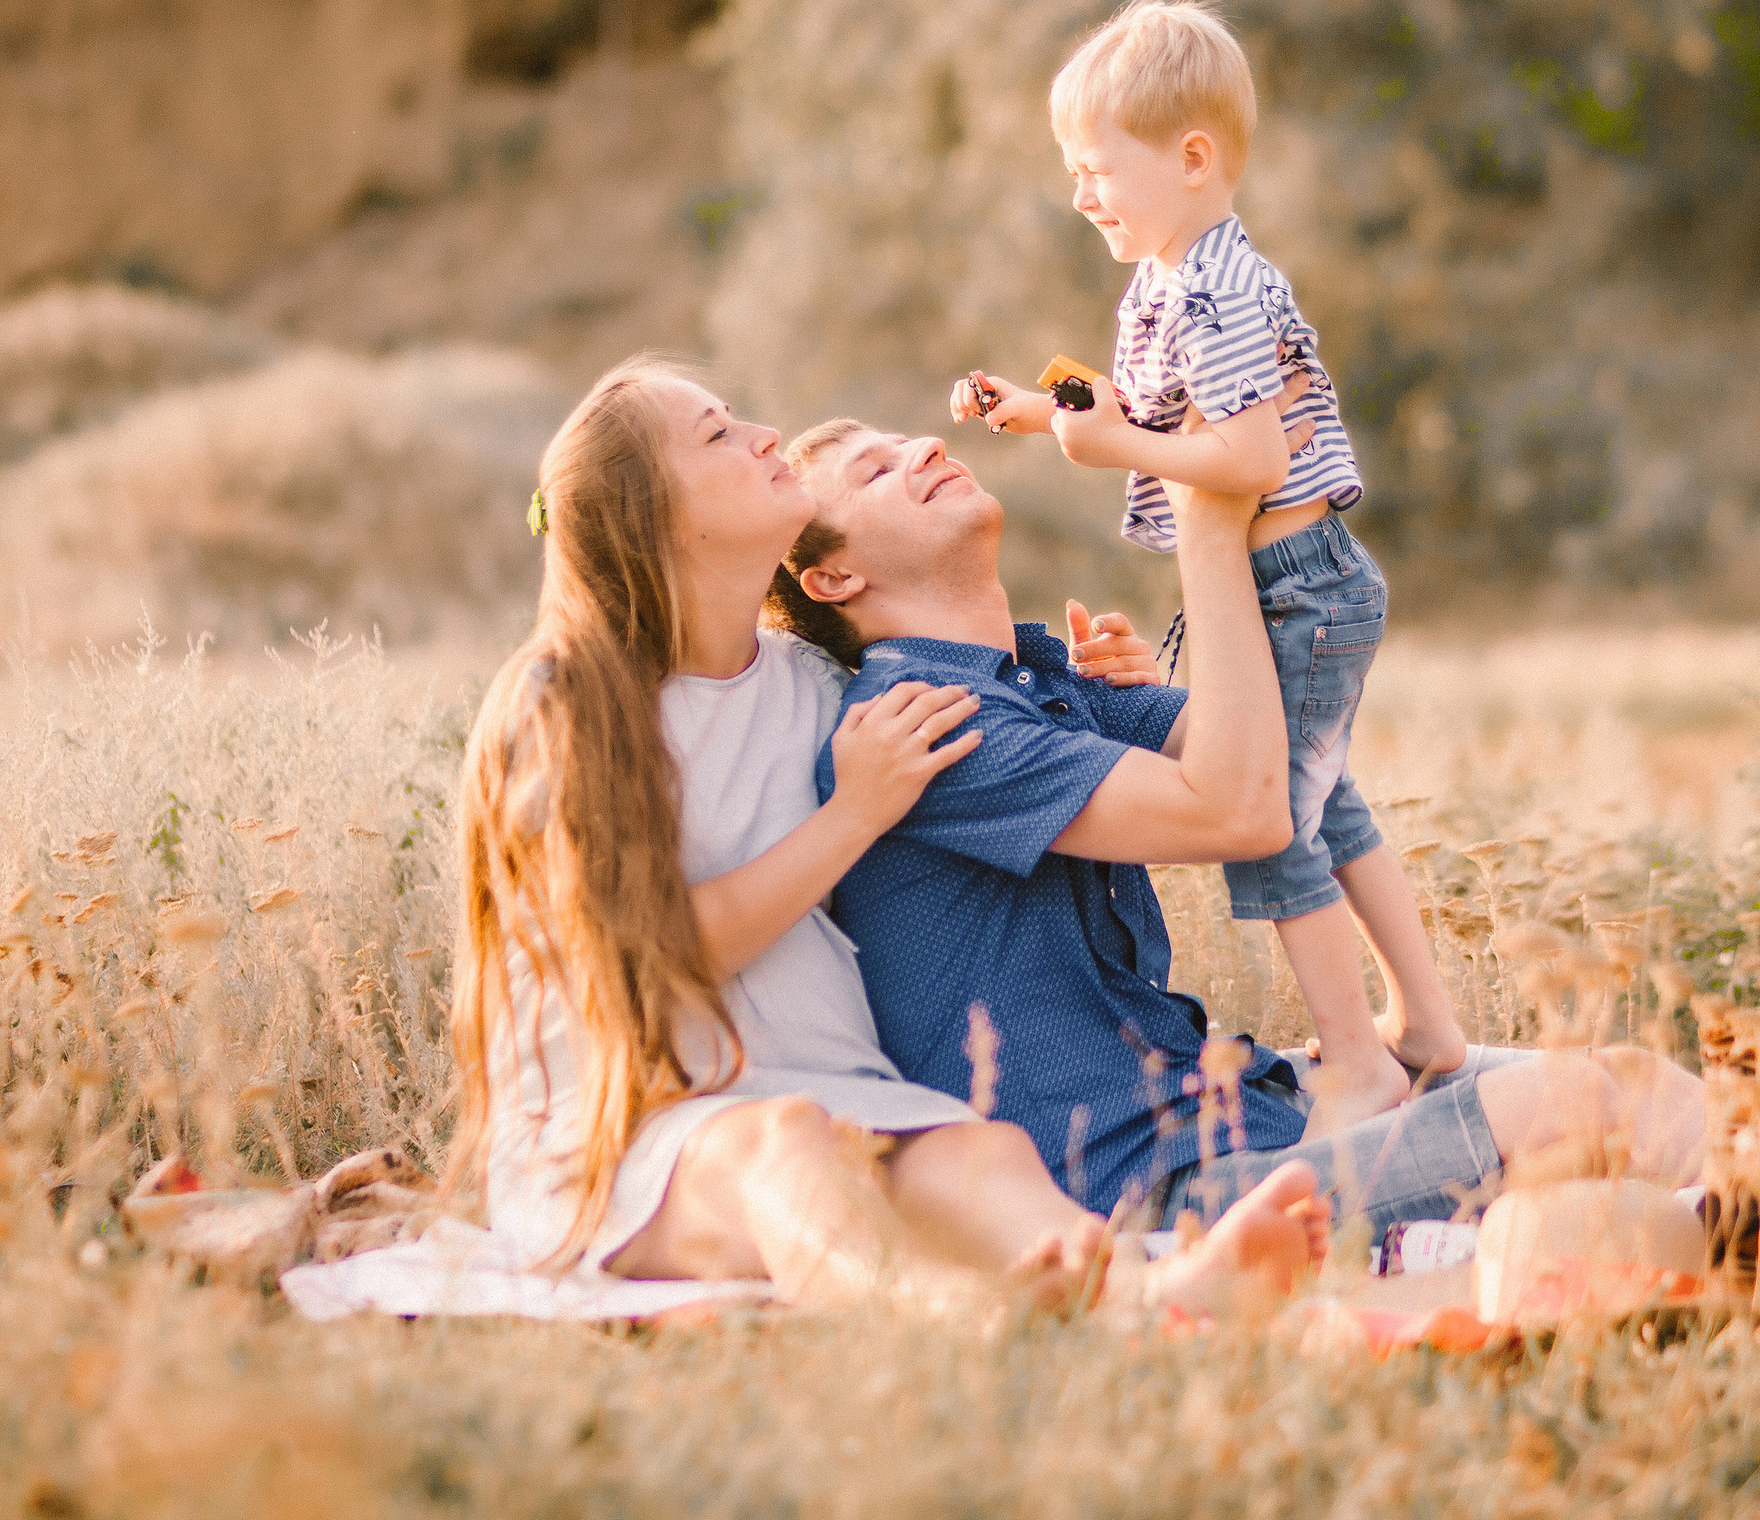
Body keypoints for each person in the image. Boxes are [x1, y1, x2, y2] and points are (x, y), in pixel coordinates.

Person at [448, 355, 1327, 1316]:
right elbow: (648, 958)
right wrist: (848, 818)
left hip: (842, 1095)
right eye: (717, 435)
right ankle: (943, 1322)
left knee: (984, 1152)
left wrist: (1082, 697)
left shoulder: (811, 686)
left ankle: (1148, 1297)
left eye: (739, 415)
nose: (762, 437)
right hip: (632, 1124)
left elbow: (990, 716)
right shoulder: (566, 698)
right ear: (656, 515)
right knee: (777, 1147)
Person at [773, 419, 1706, 1241]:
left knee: (1642, 1083)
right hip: (1144, 1190)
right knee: (1584, 1104)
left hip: (1232, 1106)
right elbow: (1242, 812)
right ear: (834, 575)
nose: (924, 449)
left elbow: (1293, 767)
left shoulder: (1039, 677)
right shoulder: (920, 723)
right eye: (874, 470)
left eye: (907, 442)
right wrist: (1206, 527)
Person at [947, 0, 1463, 1137]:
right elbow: (1142, 411)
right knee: (1327, 806)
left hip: (1300, 584)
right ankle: (1423, 1025)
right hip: (1282, 584)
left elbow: (1244, 458)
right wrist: (1045, 414)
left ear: (1192, 160)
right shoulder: (1163, 285)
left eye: (1097, 170)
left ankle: (1360, 1062)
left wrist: (1106, 445)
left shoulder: (1224, 288)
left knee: (1273, 823)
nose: (1080, 195)